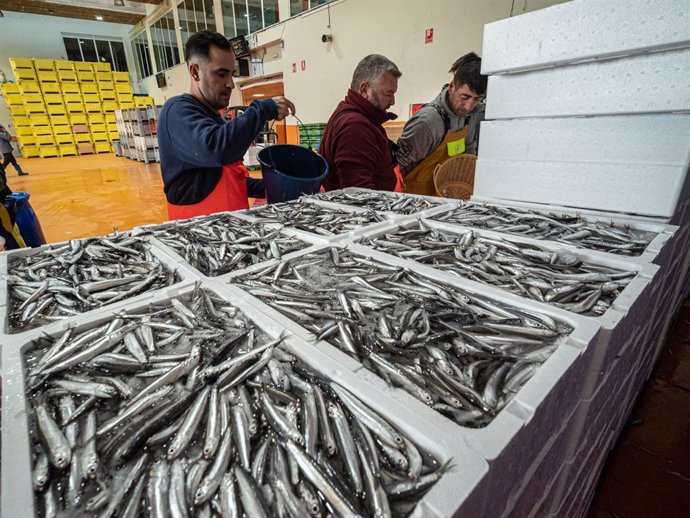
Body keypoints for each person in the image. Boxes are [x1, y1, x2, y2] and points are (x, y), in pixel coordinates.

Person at [157, 30, 295, 220]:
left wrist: (274, 187)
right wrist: (263, 109)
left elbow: (230, 181)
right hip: (198, 236)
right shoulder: (177, 112)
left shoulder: (215, 120)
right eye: (221, 74)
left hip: (229, 231)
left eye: (232, 74)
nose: (230, 84)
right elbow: (216, 149)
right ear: (195, 72)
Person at [396, 52, 487, 195]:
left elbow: (468, 154)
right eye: (465, 97)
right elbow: (397, 165)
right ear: (452, 87)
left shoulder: (471, 115)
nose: (468, 106)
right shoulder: (427, 122)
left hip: (447, 196)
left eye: (477, 99)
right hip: (416, 198)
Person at [320, 54, 401, 191]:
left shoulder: (352, 113)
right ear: (364, 90)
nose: (393, 101)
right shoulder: (355, 127)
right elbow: (358, 195)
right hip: (365, 211)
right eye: (388, 94)